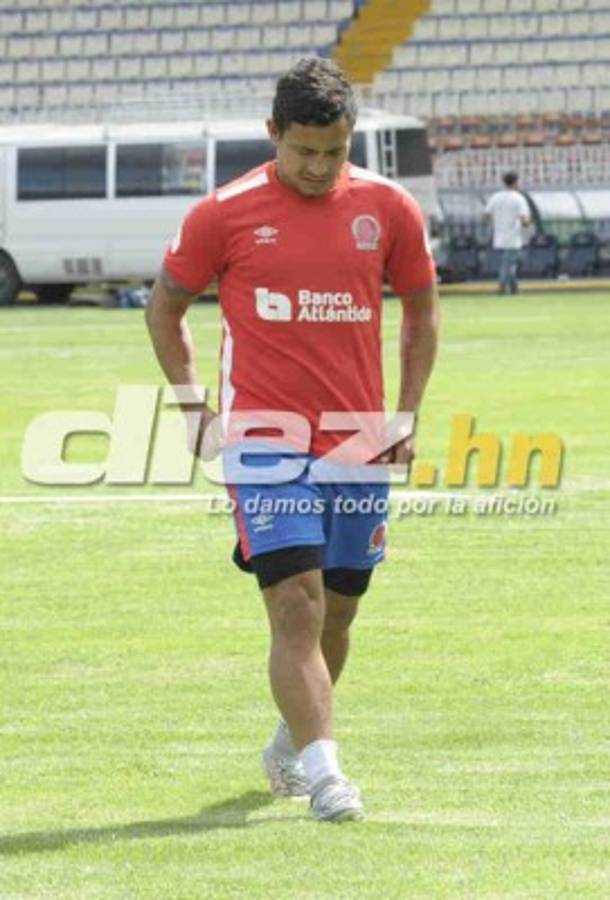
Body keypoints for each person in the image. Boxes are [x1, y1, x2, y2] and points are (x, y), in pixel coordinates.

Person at [145, 57, 439, 822]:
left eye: (334, 152)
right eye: (303, 149)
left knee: (339, 610)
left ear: (351, 140)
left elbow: (421, 309)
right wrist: (191, 407)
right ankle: (328, 774)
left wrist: (405, 412)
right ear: (274, 133)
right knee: (296, 608)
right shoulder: (224, 212)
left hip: (358, 441)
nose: (317, 167)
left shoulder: (390, 207)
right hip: (262, 438)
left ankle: (293, 739)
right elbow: (165, 308)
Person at [483, 171, 531, 294]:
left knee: (508, 263)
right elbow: (524, 219)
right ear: (515, 182)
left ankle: (514, 288)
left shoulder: (495, 197)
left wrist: (497, 221)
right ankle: (502, 286)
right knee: (508, 264)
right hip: (513, 237)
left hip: (498, 237)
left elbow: (485, 216)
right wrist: (528, 222)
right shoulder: (519, 198)